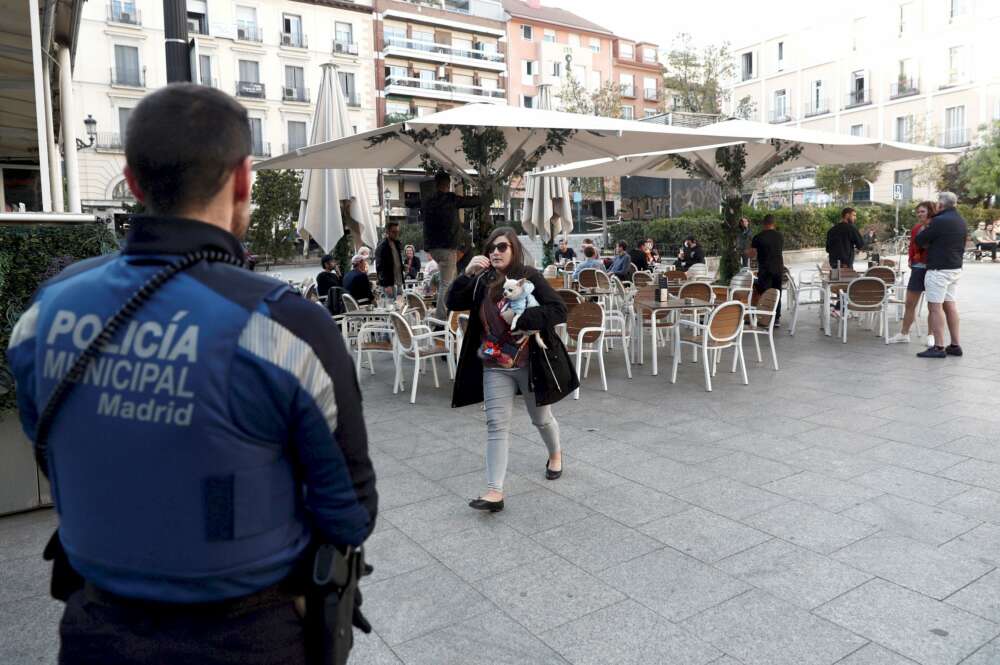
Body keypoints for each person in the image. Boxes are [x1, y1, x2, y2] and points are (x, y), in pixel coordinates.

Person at [5, 84, 377, 665]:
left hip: (94, 631)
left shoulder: (43, 315)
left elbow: (49, 447)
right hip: (250, 636)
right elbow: (350, 510)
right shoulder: (286, 326)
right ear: (243, 180)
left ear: (131, 183)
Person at [447, 227, 579, 512]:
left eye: (502, 247)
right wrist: (466, 273)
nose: (495, 252)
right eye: (491, 247)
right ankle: (494, 491)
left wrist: (522, 319)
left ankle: (555, 454)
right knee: (496, 425)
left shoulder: (529, 277)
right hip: (494, 365)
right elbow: (452, 302)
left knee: (541, 419)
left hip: (530, 364)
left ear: (514, 249)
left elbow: (558, 309)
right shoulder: (481, 279)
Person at [421, 170, 480, 319]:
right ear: (448, 184)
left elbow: (415, 204)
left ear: (436, 184)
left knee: (446, 281)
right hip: (447, 248)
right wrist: (484, 198)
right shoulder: (450, 199)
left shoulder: (429, 200)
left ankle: (447, 314)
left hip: (433, 248)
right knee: (447, 284)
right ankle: (443, 318)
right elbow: (469, 202)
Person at [915, 191, 967, 358]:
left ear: (940, 205)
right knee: (950, 305)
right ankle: (955, 345)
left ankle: (938, 347)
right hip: (955, 268)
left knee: (935, 308)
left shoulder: (939, 221)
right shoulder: (960, 220)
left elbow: (920, 240)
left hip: (938, 270)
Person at [888, 201, 935, 344]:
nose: (919, 214)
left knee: (933, 304)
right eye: (918, 212)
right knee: (909, 303)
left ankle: (931, 335)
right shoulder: (916, 228)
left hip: (933, 268)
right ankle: (904, 333)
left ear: (930, 212)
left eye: (923, 211)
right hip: (918, 268)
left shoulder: (936, 227)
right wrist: (910, 259)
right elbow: (912, 246)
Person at [749, 214, 785, 327]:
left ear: (763, 224)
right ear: (773, 223)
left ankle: (765, 318)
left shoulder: (758, 237)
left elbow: (753, 255)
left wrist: (746, 252)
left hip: (765, 269)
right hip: (778, 268)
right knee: (777, 293)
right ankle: (776, 318)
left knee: (765, 293)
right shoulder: (780, 236)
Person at [375, 221, 404, 297]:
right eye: (394, 232)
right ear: (387, 232)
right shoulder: (382, 246)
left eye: (397, 232)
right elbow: (379, 267)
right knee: (391, 306)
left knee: (400, 305)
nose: (396, 234)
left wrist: (403, 266)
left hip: (399, 281)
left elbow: (395, 261)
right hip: (389, 284)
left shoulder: (397, 244)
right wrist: (386, 284)